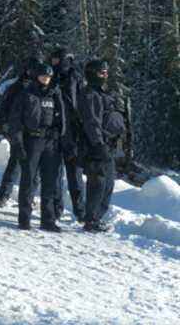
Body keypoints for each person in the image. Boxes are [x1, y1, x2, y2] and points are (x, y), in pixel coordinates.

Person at [10, 61, 66, 232]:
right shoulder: (26, 95)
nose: (46, 79)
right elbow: (16, 121)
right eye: (43, 76)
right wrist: (18, 143)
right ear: (36, 76)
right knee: (29, 180)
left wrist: (61, 139)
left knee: (50, 182)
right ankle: (24, 218)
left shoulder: (54, 94)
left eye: (48, 77)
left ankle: (48, 220)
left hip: (51, 142)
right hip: (31, 141)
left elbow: (62, 119)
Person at [79, 59, 126, 232]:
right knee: (98, 184)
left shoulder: (103, 93)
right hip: (96, 145)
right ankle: (91, 220)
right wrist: (98, 144)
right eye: (101, 73)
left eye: (106, 72)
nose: (105, 76)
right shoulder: (89, 94)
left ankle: (96, 218)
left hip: (109, 143)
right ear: (92, 74)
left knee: (108, 183)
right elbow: (91, 122)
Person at [0, 57, 40, 207]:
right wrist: (6, 125)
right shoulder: (17, 86)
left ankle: (29, 196)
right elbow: (5, 107)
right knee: (15, 165)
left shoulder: (40, 88)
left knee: (34, 169)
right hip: (18, 130)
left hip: (35, 133)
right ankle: (3, 195)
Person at [49, 47, 86, 222]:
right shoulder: (51, 77)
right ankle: (57, 209)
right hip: (55, 131)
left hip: (72, 132)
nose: (53, 63)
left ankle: (80, 210)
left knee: (74, 173)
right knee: (55, 173)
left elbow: (82, 105)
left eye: (56, 60)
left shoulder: (76, 78)